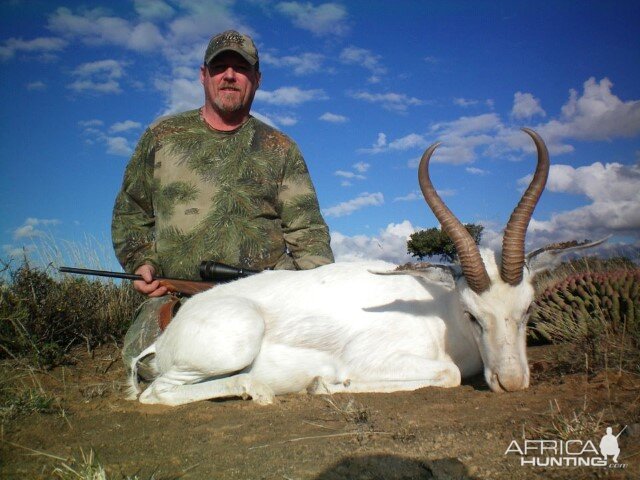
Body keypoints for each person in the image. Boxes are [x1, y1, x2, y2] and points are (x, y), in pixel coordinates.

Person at [112, 30, 334, 373]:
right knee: (153, 369)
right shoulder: (163, 137)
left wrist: (321, 299)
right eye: (220, 67)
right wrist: (142, 262)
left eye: (241, 68)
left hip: (265, 302)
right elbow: (132, 213)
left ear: (256, 80)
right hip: (178, 297)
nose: (229, 75)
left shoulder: (281, 149)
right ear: (204, 76)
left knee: (300, 365)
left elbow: (308, 233)